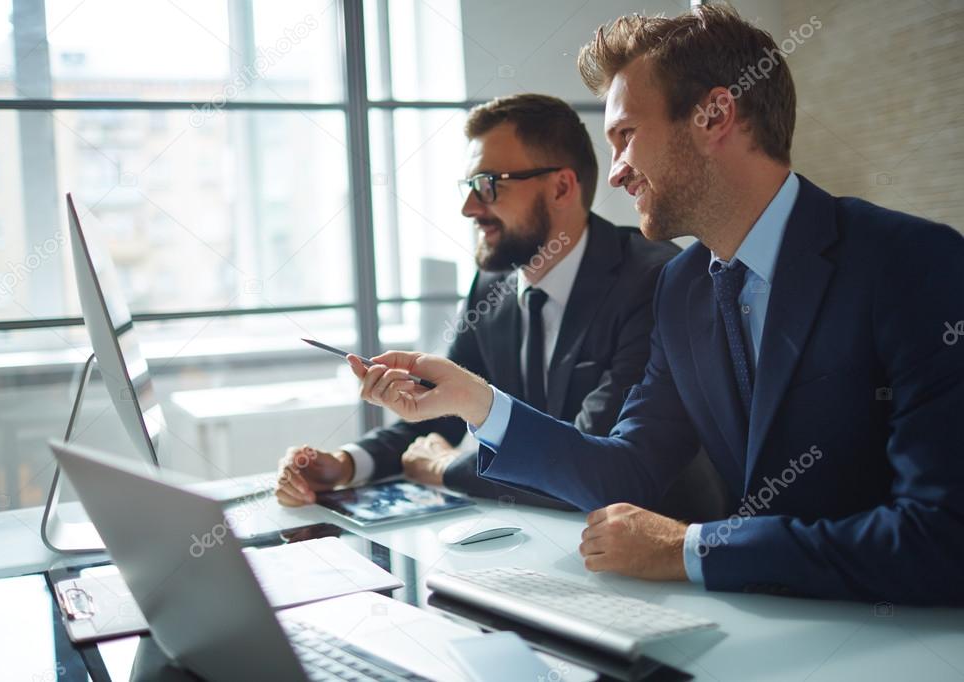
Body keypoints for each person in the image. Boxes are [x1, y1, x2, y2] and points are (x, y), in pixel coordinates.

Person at [343, 5, 964, 605]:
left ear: (716, 115)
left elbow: (942, 538)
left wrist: (691, 550)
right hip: (759, 624)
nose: (614, 173)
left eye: (626, 137)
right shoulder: (684, 287)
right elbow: (627, 470)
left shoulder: (913, 263)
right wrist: (477, 402)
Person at [276, 94, 702, 513]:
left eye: (488, 185)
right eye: (469, 186)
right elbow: (439, 406)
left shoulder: (651, 281)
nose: (468, 208)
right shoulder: (493, 284)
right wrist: (347, 464)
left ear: (561, 187)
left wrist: (448, 468)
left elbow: (591, 462)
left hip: (647, 549)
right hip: (532, 540)